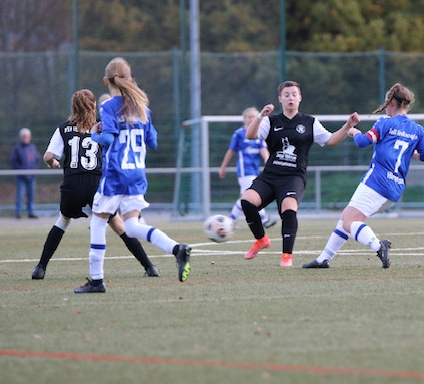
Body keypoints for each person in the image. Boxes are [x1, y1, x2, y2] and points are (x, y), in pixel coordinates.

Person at [74, 57, 191, 293]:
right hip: (136, 175)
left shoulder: (108, 106)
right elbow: (153, 142)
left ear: (106, 80)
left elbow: (108, 139)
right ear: (129, 78)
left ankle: (96, 281)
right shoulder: (142, 107)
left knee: (97, 223)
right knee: (133, 226)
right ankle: (177, 249)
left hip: (116, 175)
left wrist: (94, 134)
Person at [302, 83, 424, 269]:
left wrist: (354, 132)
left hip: (377, 182)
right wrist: (413, 153)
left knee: (350, 221)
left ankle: (378, 246)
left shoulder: (385, 122)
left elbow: (363, 142)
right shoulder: (417, 129)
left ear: (391, 102)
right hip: (395, 189)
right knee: (346, 218)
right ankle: (323, 259)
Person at [31, 89, 159, 280]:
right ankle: (149, 267)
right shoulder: (101, 126)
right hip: (97, 184)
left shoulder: (63, 129)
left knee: (63, 221)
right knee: (118, 225)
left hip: (72, 185)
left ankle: (40, 268)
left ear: (73, 107)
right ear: (93, 106)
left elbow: (48, 156)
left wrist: (53, 163)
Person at [241, 80, 361, 267]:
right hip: (270, 175)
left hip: (293, 177)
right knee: (247, 201)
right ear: (280, 99)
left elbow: (331, 140)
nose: (291, 98)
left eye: (294, 94)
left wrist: (347, 126)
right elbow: (250, 135)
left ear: (300, 98)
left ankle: (286, 256)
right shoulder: (271, 121)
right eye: (286, 95)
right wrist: (260, 116)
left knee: (288, 209)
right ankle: (261, 240)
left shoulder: (309, 122)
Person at [218, 107, 275, 229]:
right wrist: (223, 167)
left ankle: (230, 221)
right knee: (254, 194)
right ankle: (264, 220)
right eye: (249, 117)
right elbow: (230, 151)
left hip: (255, 170)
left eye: (254, 117)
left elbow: (264, 152)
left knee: (245, 196)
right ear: (244, 119)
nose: (251, 119)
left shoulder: (259, 134)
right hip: (244, 171)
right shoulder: (239, 134)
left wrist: (270, 164)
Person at [10, 127, 40, 218]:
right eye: (24, 136)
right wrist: (20, 171)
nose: (25, 138)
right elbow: (14, 161)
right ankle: (18, 213)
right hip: (21, 177)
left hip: (31, 176)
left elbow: (37, 160)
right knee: (20, 195)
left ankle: (31, 212)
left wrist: (34, 170)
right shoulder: (17, 148)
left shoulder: (32, 148)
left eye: (27, 136)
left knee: (31, 195)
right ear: (21, 137)